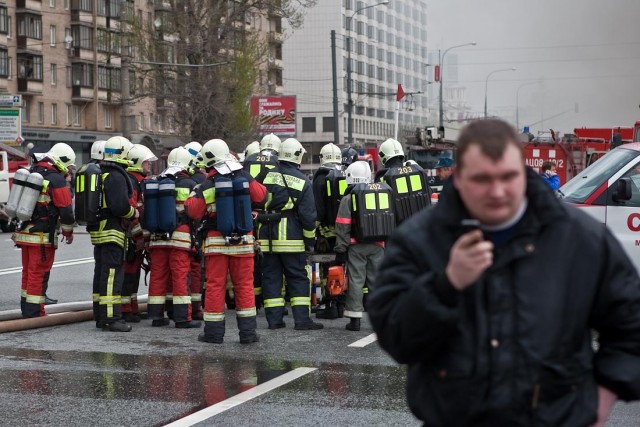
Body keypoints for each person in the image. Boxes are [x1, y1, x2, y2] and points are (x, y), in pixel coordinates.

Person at [368, 119, 640, 427]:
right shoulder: (419, 240)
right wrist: (446, 285)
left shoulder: (579, 238)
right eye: (482, 179)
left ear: (524, 173)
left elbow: (630, 322)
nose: (497, 192)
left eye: (508, 177)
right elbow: (396, 337)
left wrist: (603, 398)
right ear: (458, 178)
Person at [185, 139, 267, 344]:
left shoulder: (208, 184)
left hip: (216, 244)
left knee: (214, 287)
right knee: (245, 286)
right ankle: (248, 334)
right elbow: (263, 197)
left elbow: (193, 211)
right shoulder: (245, 177)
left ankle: (213, 334)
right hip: (244, 243)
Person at [256, 138, 323, 330]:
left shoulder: (265, 175)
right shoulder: (303, 181)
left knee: (271, 277)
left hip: (266, 236)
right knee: (297, 277)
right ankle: (302, 320)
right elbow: (308, 216)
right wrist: (310, 239)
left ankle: (274, 321)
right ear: (298, 156)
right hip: (292, 237)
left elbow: (256, 200)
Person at [13, 143, 76, 318]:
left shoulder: (34, 171)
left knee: (28, 273)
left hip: (24, 233)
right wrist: (68, 232)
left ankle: (27, 310)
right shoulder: (56, 179)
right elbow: (66, 210)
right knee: (38, 273)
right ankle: (35, 314)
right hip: (41, 237)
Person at [147, 147, 201, 329]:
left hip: (157, 237)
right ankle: (182, 318)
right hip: (180, 237)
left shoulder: (157, 181)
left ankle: (156, 316)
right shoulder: (190, 184)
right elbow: (194, 212)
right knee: (180, 275)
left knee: (158, 275)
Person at [88, 136, 138, 332]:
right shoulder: (116, 176)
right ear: (123, 152)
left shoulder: (102, 172)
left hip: (100, 231)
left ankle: (101, 315)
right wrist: (134, 212)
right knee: (111, 276)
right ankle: (111, 318)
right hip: (112, 232)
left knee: (101, 273)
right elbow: (120, 207)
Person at [334, 161, 390, 331]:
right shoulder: (381, 193)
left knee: (357, 281)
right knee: (376, 280)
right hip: (379, 244)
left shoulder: (348, 198)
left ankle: (355, 320)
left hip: (356, 246)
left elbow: (343, 225)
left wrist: (340, 249)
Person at [122, 144, 157, 323]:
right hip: (130, 237)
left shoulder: (137, 182)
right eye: (146, 163)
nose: (149, 166)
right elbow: (131, 213)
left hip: (136, 237)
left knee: (134, 273)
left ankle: (133, 308)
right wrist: (138, 238)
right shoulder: (132, 182)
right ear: (136, 163)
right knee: (128, 273)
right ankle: (126, 309)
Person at [375, 138, 431, 225]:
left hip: (397, 230)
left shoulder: (382, 177)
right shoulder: (417, 173)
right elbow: (429, 193)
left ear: (382, 156)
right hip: (422, 225)